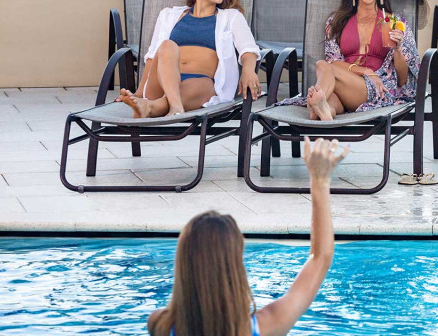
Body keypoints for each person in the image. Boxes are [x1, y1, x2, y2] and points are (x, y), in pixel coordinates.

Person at [147, 136, 348, 336]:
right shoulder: (266, 325)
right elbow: (320, 258)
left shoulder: (160, 324)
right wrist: (319, 182)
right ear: (234, 267)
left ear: (184, 264)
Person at [119, 0, 261, 118]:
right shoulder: (168, 15)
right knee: (166, 45)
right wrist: (138, 94)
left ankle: (153, 108)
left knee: (204, 85)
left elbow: (248, 49)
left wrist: (248, 70)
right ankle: (169, 106)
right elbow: (152, 57)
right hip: (160, 84)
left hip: (201, 84)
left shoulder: (231, 17)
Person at [281, 0, 420, 121]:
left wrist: (398, 49)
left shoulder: (395, 23)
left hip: (377, 90)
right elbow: (334, 63)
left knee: (323, 66)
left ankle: (314, 104)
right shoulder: (336, 23)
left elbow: (403, 80)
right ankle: (324, 110)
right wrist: (366, 71)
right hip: (346, 91)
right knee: (328, 90)